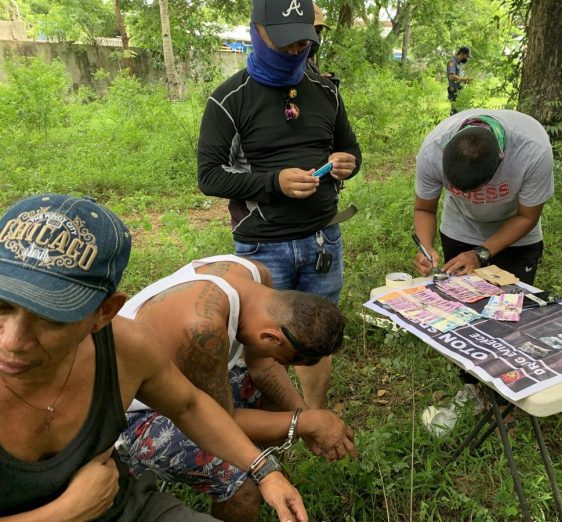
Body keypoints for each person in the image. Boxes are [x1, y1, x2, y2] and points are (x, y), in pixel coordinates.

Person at [0, 193, 307, 521]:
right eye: (2, 306)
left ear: (104, 313)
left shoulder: (123, 347)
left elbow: (188, 404)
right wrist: (67, 512)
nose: (13, 341)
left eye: (51, 318)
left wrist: (264, 470)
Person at [197, 0, 361, 410]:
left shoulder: (325, 91)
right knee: (268, 342)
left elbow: (350, 149)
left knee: (315, 335)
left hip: (324, 237)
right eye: (285, 43)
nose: (294, 52)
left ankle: (314, 415)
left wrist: (347, 164)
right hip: (264, 247)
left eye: (303, 42)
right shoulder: (229, 100)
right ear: (258, 32)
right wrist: (274, 182)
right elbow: (210, 176)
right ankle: (284, 421)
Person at [117, 254, 358, 521]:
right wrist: (302, 423)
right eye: (287, 358)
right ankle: (245, 482)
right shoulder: (202, 330)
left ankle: (265, 463)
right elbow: (216, 420)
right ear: (270, 337)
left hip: (180, 390)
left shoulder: (255, 274)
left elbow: (263, 367)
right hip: (131, 415)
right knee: (244, 483)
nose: (283, 364)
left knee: (273, 402)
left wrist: (305, 415)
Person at [413, 109, 554, 286]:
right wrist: (425, 248)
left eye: (476, 189)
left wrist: (480, 254)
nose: (470, 197)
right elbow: (424, 209)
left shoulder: (533, 151)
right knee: (458, 304)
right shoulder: (432, 152)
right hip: (460, 229)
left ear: (501, 160)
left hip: (516, 237)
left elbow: (527, 216)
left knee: (511, 306)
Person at [307, 2, 337, 85]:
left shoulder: (309, 62)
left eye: (318, 32)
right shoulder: (289, 62)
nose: (316, 37)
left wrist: (319, 78)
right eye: (312, 31)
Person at [447, 46, 471, 115]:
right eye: (466, 56)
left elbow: (458, 78)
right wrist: (463, 79)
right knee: (455, 114)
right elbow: (451, 77)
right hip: (454, 92)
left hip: (459, 91)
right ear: (462, 54)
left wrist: (465, 81)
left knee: (459, 113)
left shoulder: (458, 64)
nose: (466, 59)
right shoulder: (452, 62)